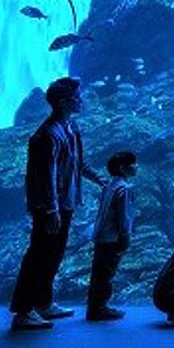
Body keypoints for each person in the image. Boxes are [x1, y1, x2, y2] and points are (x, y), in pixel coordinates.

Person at [10, 77, 106, 331]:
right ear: (63, 103)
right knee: (38, 255)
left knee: (54, 254)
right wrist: (51, 209)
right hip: (49, 207)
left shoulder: (70, 127)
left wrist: (98, 178)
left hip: (65, 203)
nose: (81, 101)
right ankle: (23, 311)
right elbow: (47, 176)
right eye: (76, 98)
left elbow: (76, 161)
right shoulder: (48, 135)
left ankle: (43, 302)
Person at [86, 151, 138, 322]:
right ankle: (100, 308)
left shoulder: (108, 186)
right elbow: (124, 215)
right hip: (112, 237)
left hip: (101, 235)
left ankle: (94, 307)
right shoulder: (125, 189)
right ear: (123, 168)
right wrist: (125, 235)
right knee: (107, 273)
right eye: (133, 164)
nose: (136, 166)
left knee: (98, 273)